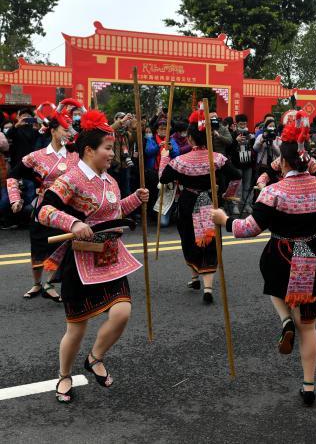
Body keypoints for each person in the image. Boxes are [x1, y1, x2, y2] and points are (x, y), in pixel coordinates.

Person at [211, 120, 316, 407]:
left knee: (273, 283)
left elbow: (248, 229)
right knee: (308, 327)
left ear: (283, 161)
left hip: (280, 257)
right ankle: (309, 386)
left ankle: (285, 319)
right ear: (307, 159)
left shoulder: (273, 193)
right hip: (311, 256)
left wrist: (225, 220)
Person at [37, 109, 149, 404]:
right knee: (76, 328)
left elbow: (114, 213)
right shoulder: (71, 178)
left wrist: (135, 200)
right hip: (80, 261)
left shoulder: (110, 181)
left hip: (111, 257)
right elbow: (43, 211)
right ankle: (64, 375)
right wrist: (73, 223)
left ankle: (95, 357)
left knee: (122, 312)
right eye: (108, 148)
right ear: (89, 150)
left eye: (113, 148)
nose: (112, 154)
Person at [158, 108, 241, 303]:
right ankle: (207, 287)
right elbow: (236, 176)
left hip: (188, 202)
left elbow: (163, 178)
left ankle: (195, 276)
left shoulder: (181, 161)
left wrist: (164, 156)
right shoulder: (217, 158)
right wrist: (227, 194)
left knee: (189, 239)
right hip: (210, 202)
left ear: (190, 139)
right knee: (209, 242)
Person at [7, 103, 81, 301]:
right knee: (38, 244)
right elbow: (13, 174)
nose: (68, 133)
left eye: (70, 130)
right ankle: (37, 283)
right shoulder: (37, 156)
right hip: (42, 206)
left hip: (66, 207)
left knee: (61, 245)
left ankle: (49, 283)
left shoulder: (75, 156)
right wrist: (15, 198)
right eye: (64, 129)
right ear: (53, 130)